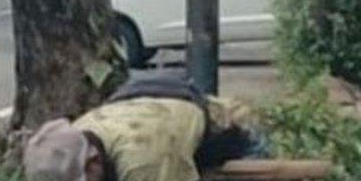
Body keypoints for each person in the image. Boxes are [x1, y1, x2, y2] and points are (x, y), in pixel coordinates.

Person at [23, 72, 266, 181]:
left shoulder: (143, 162)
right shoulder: (79, 134)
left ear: (92, 161)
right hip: (163, 117)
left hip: (228, 131)